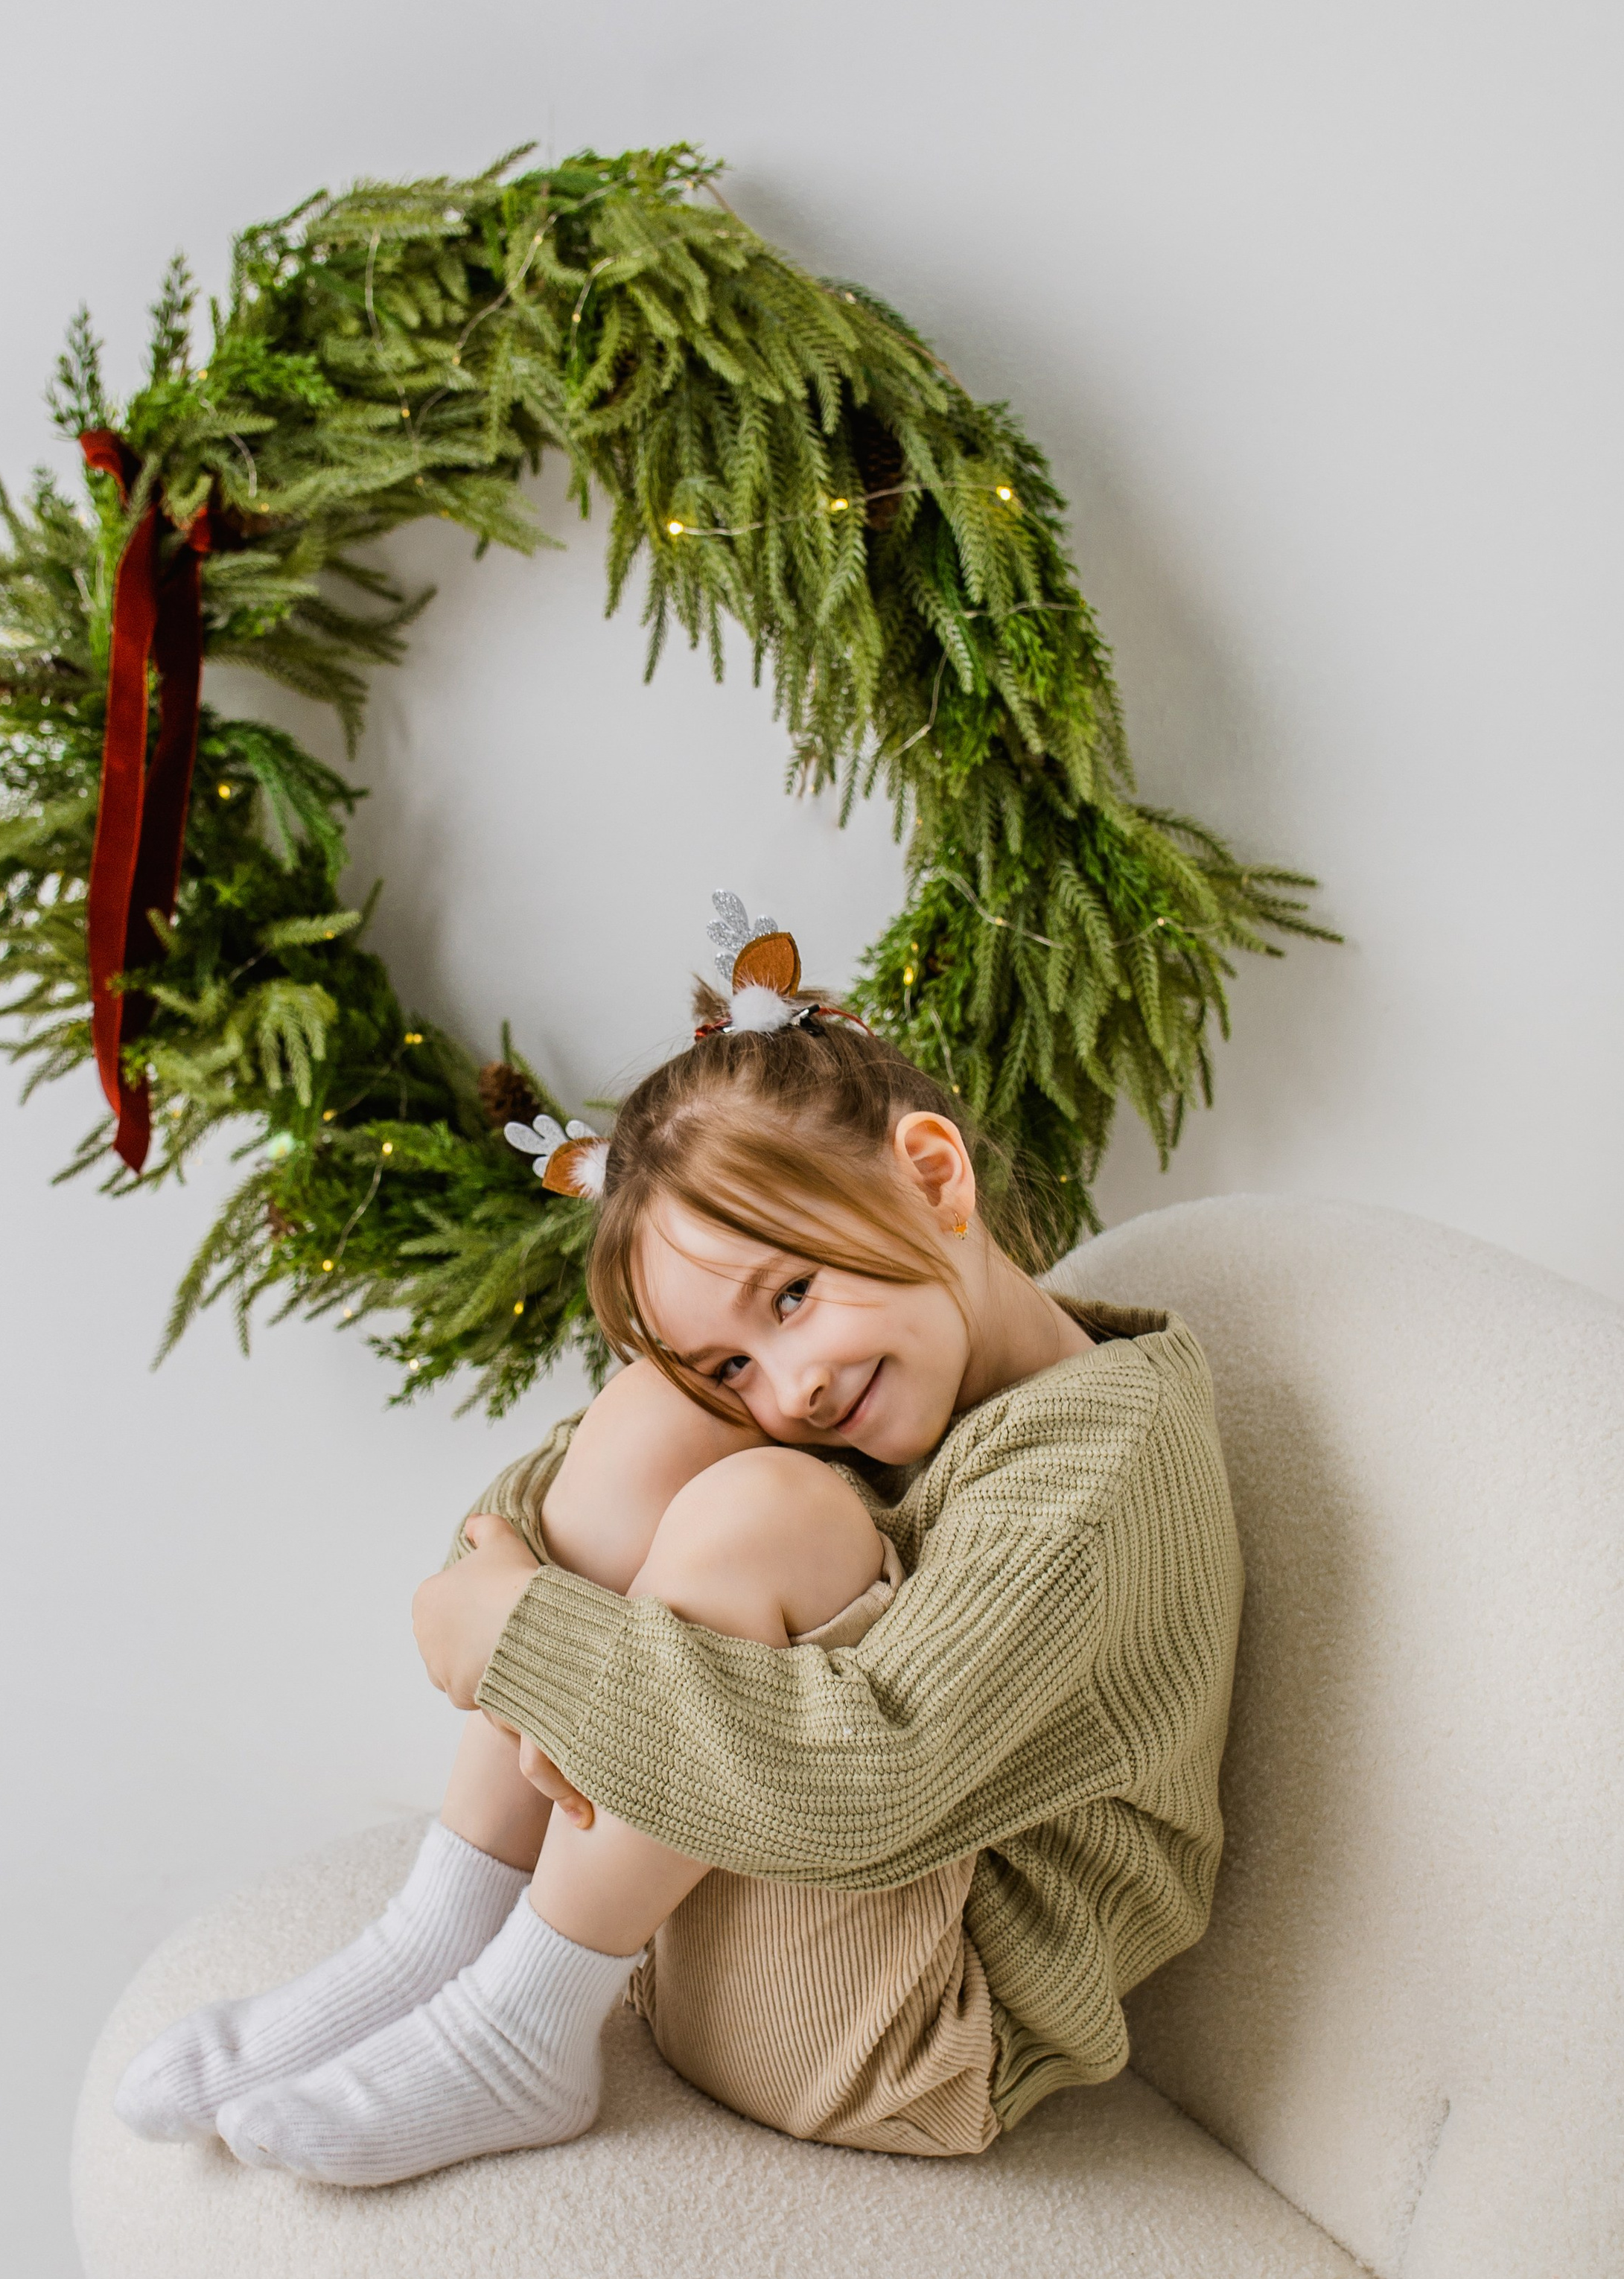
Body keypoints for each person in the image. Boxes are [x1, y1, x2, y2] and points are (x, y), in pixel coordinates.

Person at [115, 896, 1243, 2185]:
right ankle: (441, 1935)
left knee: (762, 1514)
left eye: (795, 1294)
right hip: (718, 1926)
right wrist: (508, 1589)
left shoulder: (1092, 1470)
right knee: (659, 1419)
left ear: (935, 1179)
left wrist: (524, 1635)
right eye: (737, 1357)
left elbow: (873, 1780)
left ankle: (516, 2030)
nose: (791, 1387)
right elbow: (547, 1522)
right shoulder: (880, 1370)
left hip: (900, 2032)